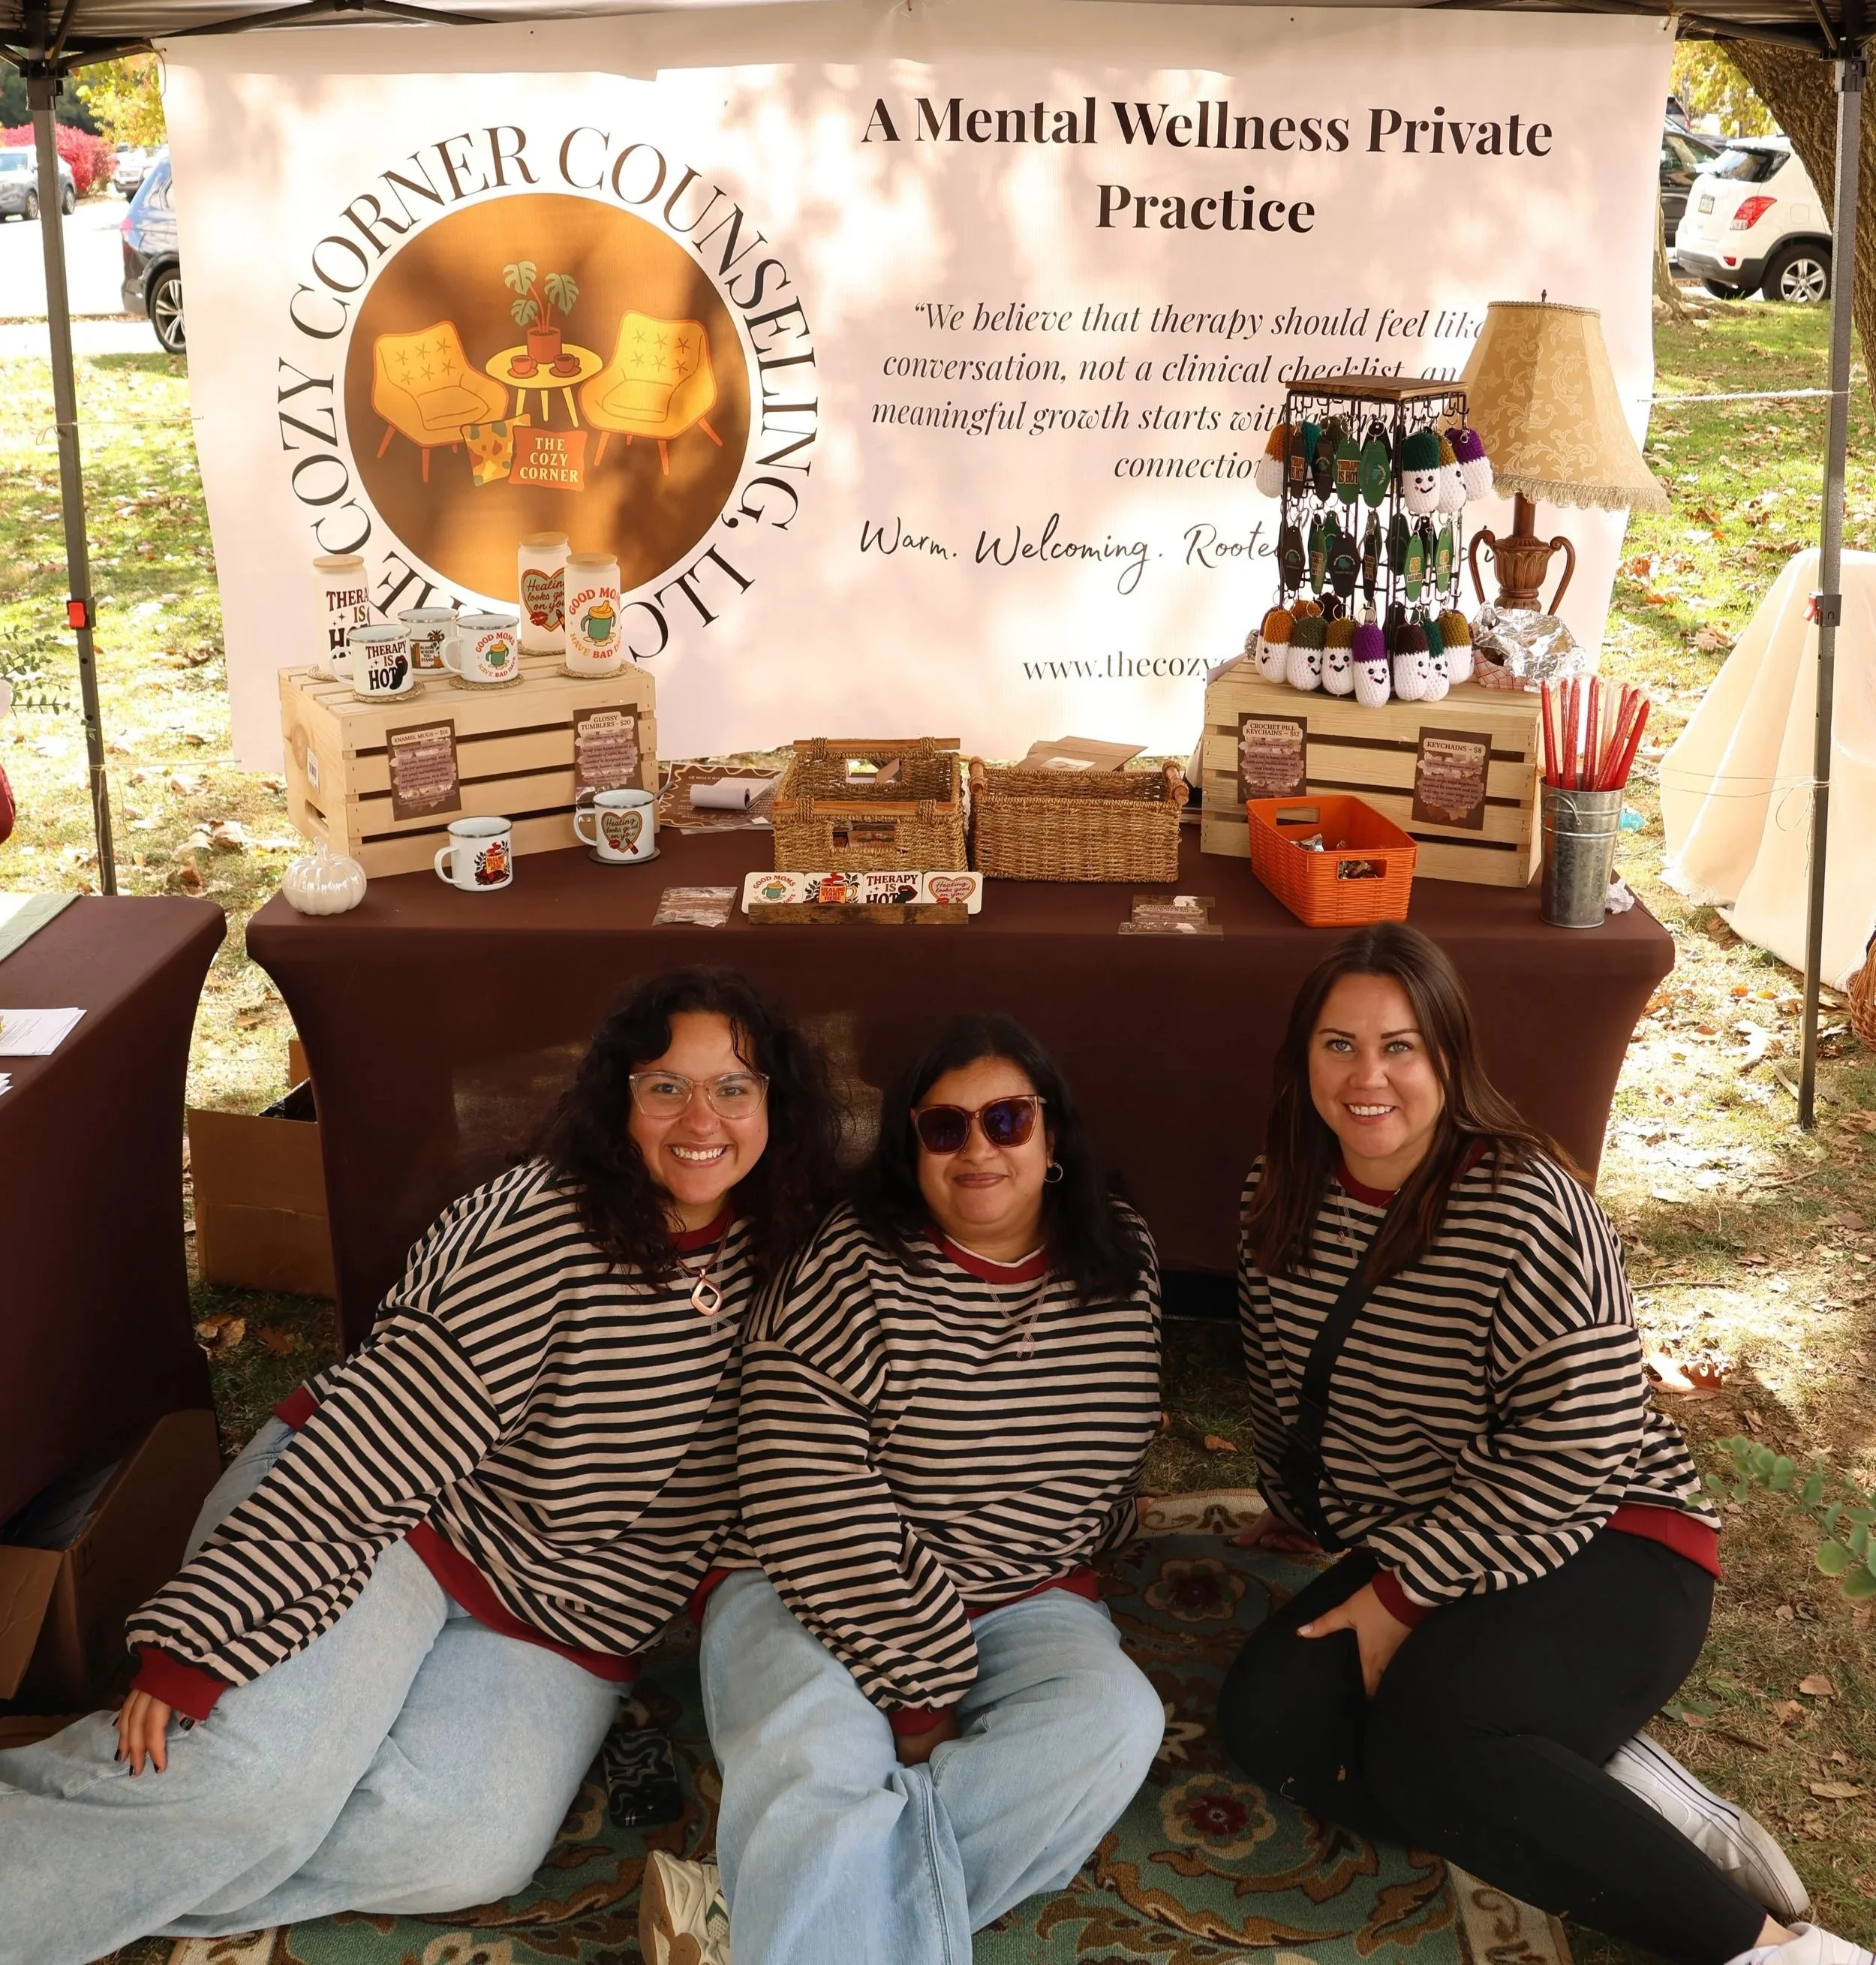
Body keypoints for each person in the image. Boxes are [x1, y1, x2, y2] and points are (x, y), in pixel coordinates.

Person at [0, 968, 841, 1965]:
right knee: (254, 1788)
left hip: (565, 1605)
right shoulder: (538, 1229)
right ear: (618, 1097)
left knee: (459, 1848)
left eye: (735, 1087)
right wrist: (202, 1641)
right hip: (398, 1520)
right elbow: (366, 1455)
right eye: (666, 1085)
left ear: (776, 1104)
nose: (702, 1117)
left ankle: (162, 1831)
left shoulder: (797, 1247)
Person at [1217, 922, 1869, 1965]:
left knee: (1431, 1747)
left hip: (1612, 1533)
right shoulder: (1281, 1185)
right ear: (1302, 1057)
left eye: (1401, 1045)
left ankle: (1769, 1947)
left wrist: (1398, 1594)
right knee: (1273, 1723)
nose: (1367, 1074)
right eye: (1338, 1044)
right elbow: (1286, 1369)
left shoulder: (1525, 1206)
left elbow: (1578, 1452)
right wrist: (1306, 1509)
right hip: (1445, 1535)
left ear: (1449, 1057)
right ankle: (1603, 1785)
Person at [645, 1015, 1165, 1965]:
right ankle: (805, 1893)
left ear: (1052, 1139)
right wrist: (921, 1701)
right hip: (809, 1583)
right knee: (817, 1760)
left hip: (1024, 1594)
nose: (978, 1149)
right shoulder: (850, 1261)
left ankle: (760, 1904)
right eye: (944, 1128)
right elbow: (805, 1494)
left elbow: (1111, 1447)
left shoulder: (1118, 1254)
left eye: (1007, 1121)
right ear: (911, 1150)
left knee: (1115, 1721)